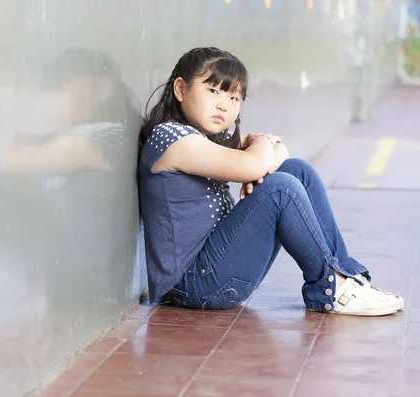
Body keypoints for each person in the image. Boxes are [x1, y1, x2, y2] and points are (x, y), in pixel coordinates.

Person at [138, 47, 404, 316]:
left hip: (214, 270)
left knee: (296, 170)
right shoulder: (173, 139)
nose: (223, 104)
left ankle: (344, 277)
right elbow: (258, 161)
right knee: (280, 190)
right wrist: (260, 148)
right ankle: (331, 287)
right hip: (193, 283)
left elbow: (281, 154)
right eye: (213, 91)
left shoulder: (201, 138)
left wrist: (258, 165)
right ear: (181, 89)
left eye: (234, 97)